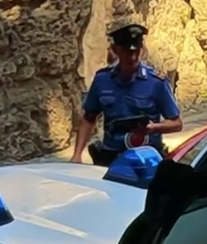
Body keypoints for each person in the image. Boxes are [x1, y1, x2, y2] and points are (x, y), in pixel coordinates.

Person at [71, 22, 183, 165]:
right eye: (127, 52)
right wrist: (77, 155)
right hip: (111, 159)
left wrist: (153, 128)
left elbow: (176, 123)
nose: (133, 57)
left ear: (141, 49)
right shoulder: (102, 80)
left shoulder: (156, 82)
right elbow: (88, 119)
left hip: (146, 160)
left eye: (136, 52)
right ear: (115, 50)